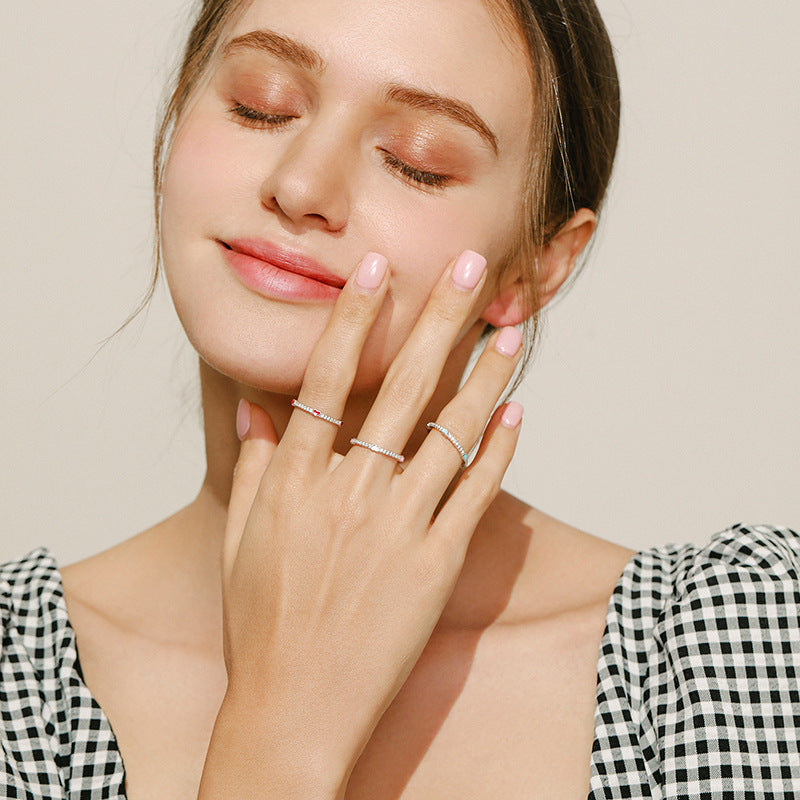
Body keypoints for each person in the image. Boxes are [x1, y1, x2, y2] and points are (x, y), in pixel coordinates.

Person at [1, 1, 797, 798]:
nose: (302, 185)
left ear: (535, 264)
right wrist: (281, 733)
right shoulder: (19, 677)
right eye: (260, 104)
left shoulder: (744, 644)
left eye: (418, 161)